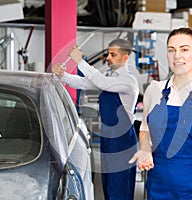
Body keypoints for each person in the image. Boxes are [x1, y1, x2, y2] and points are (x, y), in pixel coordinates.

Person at [129, 27, 192, 200]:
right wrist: (145, 150)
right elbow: (145, 128)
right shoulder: (155, 90)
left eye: (184, 49)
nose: (177, 56)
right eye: (171, 50)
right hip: (159, 185)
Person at [52, 38, 139, 200]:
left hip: (122, 140)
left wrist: (80, 62)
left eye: (113, 55)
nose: (108, 58)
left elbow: (103, 83)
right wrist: (62, 76)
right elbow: (84, 83)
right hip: (108, 136)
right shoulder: (108, 76)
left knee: (119, 186)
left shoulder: (128, 80)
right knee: (107, 184)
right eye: (108, 54)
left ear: (125, 57)